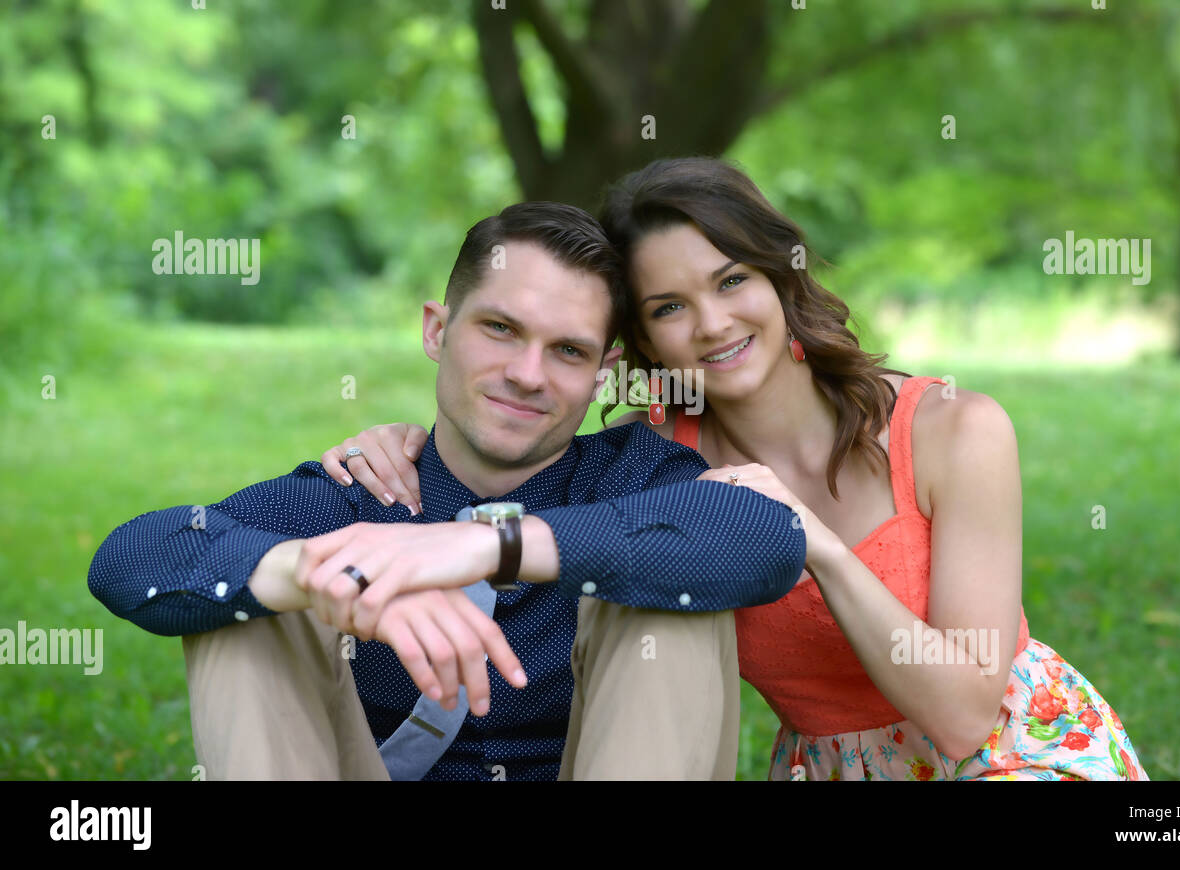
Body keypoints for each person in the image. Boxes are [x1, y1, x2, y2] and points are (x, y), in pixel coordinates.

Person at [328, 157, 1150, 781]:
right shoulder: (658, 462)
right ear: (642, 345)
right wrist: (406, 441)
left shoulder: (952, 430)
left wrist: (816, 547)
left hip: (1017, 751)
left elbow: (966, 715)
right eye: (670, 308)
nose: (713, 324)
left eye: (732, 281)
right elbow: (533, 463)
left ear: (780, 275)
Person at [88, 201, 809, 781]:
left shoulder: (633, 475)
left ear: (602, 374)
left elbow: (767, 539)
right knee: (248, 598)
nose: (528, 374)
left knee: (668, 593)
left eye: (567, 351)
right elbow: (131, 557)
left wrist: (481, 547)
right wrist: (309, 572)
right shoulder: (361, 495)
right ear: (438, 330)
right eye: (501, 329)